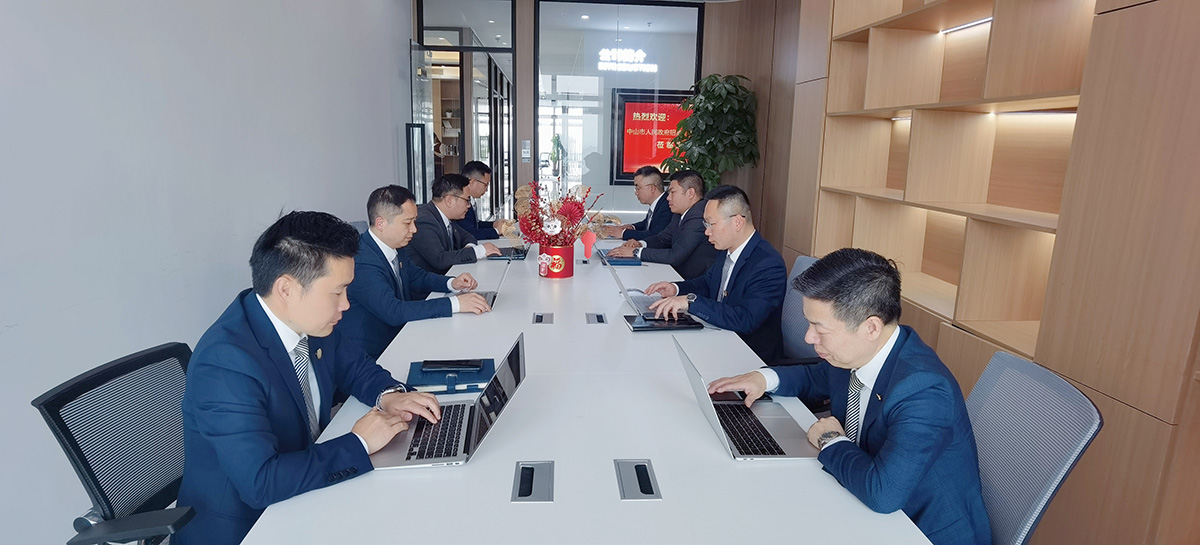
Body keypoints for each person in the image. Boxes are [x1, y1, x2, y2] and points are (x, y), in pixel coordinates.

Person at [176, 211, 443, 545]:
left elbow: (356, 368)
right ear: (286, 289)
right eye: (337, 292)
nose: (346, 304)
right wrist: (359, 443)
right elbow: (261, 483)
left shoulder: (306, 318)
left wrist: (390, 395)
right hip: (248, 526)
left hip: (308, 492)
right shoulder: (225, 363)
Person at [706, 248, 991, 545]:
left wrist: (830, 440)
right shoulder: (859, 351)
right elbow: (816, 377)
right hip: (859, 503)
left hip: (919, 529)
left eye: (819, 327)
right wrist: (763, 378)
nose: (808, 337)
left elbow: (883, 494)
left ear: (871, 327)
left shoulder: (923, 390)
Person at [341, 185, 492, 360]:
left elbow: (417, 277)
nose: (414, 229)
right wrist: (456, 304)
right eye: (407, 223)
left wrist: (451, 283)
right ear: (381, 223)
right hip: (375, 354)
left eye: (414, 221)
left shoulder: (394, 244)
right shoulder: (362, 261)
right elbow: (394, 311)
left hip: (402, 335)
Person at [645, 185, 786, 361]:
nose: (707, 232)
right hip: (718, 337)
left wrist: (691, 302)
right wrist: (675, 289)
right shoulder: (726, 249)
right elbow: (707, 283)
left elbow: (745, 319)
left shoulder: (768, 264)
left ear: (737, 222)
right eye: (705, 224)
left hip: (748, 355)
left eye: (711, 224)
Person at [605, 169, 717, 280]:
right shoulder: (680, 213)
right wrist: (640, 244)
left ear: (690, 193)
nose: (668, 198)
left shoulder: (699, 216)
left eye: (673, 192)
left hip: (692, 282)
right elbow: (662, 238)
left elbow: (675, 256)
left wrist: (636, 252)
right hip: (675, 274)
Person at [405, 173, 501, 282]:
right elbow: (440, 259)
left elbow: (467, 236)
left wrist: (469, 248)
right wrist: (479, 251)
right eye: (467, 200)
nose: (469, 205)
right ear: (449, 200)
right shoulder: (424, 220)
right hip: (429, 288)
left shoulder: (445, 216)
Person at [602, 165, 671, 241]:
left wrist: (623, 233)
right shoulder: (659, 203)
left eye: (638, 188)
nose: (636, 192)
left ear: (652, 189)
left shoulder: (668, 206)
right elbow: (646, 224)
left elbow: (656, 234)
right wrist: (632, 227)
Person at [454, 160, 504, 240]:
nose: (486, 189)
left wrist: (494, 224)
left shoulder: (471, 200)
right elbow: (471, 233)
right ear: (472, 182)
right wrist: (496, 231)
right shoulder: (460, 203)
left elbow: (475, 224)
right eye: (485, 185)